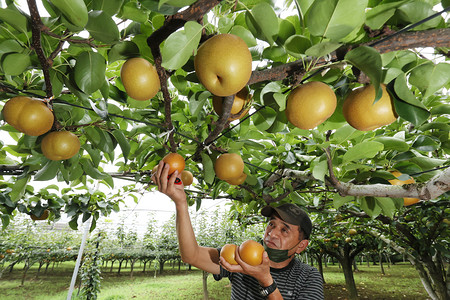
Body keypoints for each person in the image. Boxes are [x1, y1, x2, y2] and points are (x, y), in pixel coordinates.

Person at [152, 161, 324, 299]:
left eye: (284, 230)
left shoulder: (308, 277)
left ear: (301, 245)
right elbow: (191, 255)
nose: (272, 233)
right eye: (271, 224)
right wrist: (181, 203)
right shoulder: (240, 257)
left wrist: (266, 280)